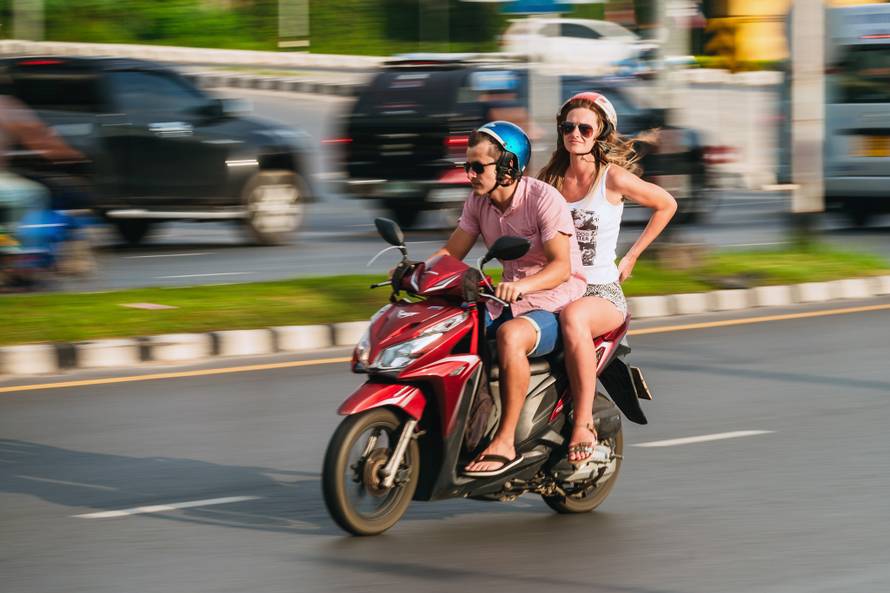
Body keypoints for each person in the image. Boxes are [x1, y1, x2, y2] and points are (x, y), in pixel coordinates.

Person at [427, 120, 587, 478]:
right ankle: (466, 422)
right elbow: (451, 254)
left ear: (507, 167)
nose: (469, 174)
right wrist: (416, 273)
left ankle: (505, 439)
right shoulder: (478, 202)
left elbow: (561, 268)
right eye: (466, 166)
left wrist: (524, 287)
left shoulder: (543, 199)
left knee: (510, 336)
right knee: (452, 327)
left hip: (554, 302)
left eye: (477, 167)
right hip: (507, 298)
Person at [538, 92, 677, 464]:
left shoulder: (612, 179)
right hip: (555, 287)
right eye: (569, 127)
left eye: (585, 127)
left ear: (600, 133)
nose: (576, 134)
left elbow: (667, 204)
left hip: (600, 292)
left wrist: (631, 255)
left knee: (574, 317)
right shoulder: (548, 179)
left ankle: (583, 423)